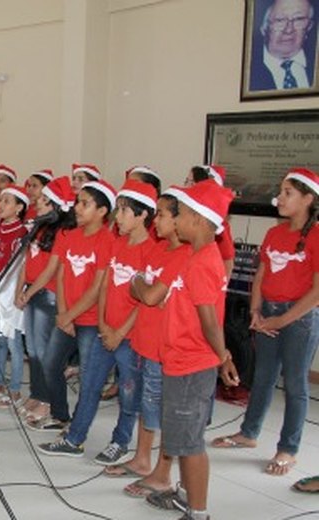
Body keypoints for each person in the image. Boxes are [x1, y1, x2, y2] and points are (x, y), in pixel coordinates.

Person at [211, 168, 319, 477]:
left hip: (299, 317)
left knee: (296, 383)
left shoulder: (316, 235)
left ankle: (289, 448)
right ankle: (249, 433)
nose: (279, 198)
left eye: (288, 193)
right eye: (281, 191)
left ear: (308, 199)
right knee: (263, 376)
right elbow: (261, 274)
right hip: (268, 313)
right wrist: (256, 311)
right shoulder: (274, 234)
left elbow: (317, 289)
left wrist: (283, 318)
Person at [40, 180, 155, 465]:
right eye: (119, 210)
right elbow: (103, 287)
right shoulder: (116, 244)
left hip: (129, 337)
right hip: (106, 331)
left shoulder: (150, 251)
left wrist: (119, 332)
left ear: (142, 216)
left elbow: (144, 303)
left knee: (129, 393)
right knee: (90, 383)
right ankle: (74, 439)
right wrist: (103, 324)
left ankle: (120, 441)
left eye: (126, 211)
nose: (119, 217)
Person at [145, 180, 238, 520]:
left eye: (180, 214)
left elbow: (210, 322)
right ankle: (184, 496)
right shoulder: (197, 254)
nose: (177, 220)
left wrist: (224, 356)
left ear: (199, 220)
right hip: (180, 360)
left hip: (191, 363)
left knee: (191, 443)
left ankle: (197, 513)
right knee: (182, 438)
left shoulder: (201, 262)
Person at [105, 192, 191, 500]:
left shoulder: (183, 255)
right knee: (146, 405)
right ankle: (143, 460)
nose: (157, 220)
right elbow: (140, 288)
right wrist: (142, 286)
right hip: (144, 339)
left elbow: (150, 294)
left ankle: (163, 474)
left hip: (162, 346)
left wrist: (141, 286)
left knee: (159, 410)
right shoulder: (159, 251)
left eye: (163, 215)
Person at [34, 179, 116, 433]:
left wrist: (70, 314)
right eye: (77, 202)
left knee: (88, 378)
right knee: (50, 364)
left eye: (84, 204)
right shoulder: (67, 234)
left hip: (91, 321)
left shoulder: (107, 240)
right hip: (66, 315)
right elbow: (60, 276)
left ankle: (77, 430)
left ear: (102, 211)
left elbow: (97, 288)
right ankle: (61, 415)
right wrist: (62, 313)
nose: (77, 208)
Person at [15, 176, 77, 426]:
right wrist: (20, 289)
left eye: (44, 200)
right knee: (33, 349)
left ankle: (48, 401)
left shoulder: (62, 232)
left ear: (56, 206)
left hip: (47, 295)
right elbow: (25, 262)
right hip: (31, 291)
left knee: (44, 352)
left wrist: (29, 293)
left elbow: (51, 269)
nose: (37, 202)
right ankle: (38, 394)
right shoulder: (37, 228)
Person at [0, 185, 28, 407]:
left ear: (19, 208)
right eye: (1, 200)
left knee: (14, 343)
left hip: (11, 296)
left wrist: (10, 295)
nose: (1, 205)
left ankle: (16, 389)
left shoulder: (22, 235)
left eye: (8, 201)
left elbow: (19, 269)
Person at [249, 0, 316, 91]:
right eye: (279, 20)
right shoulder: (246, 70)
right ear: (264, 27)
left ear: (309, 26)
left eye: (298, 19)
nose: (288, 30)